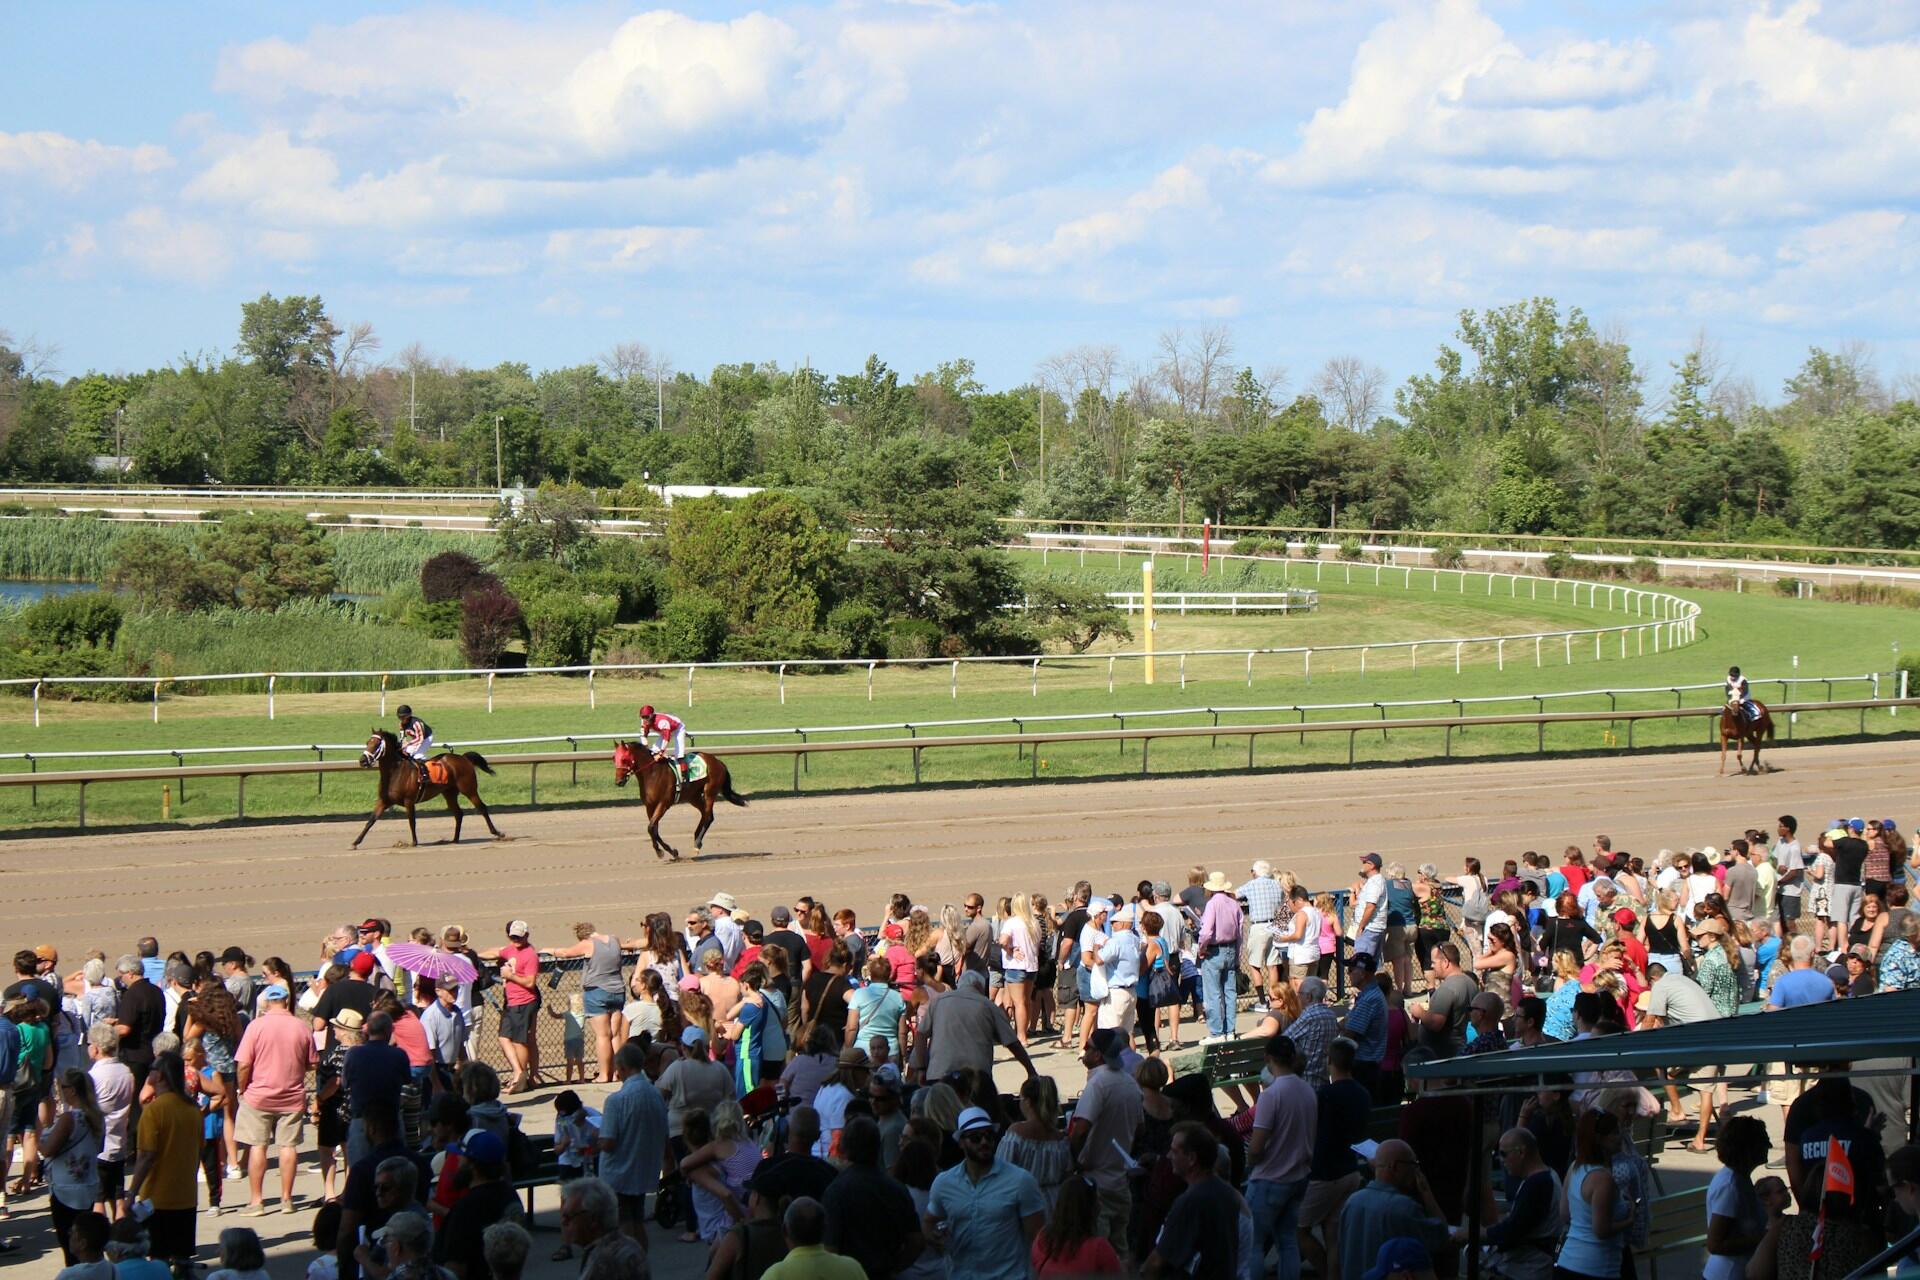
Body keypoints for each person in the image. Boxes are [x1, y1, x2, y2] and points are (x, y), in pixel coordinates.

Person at [924, 1106, 1047, 1280]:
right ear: (961, 1142)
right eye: (975, 1138)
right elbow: (929, 1222)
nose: (984, 1142)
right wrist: (935, 1238)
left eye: (989, 1135)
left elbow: (1038, 1239)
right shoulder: (944, 1183)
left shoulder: (1020, 1181)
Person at [234, 981, 314, 1215]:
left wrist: (242, 1088)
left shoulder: (256, 1026)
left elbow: (244, 1064)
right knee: (288, 1146)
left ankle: (257, 1201)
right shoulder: (300, 1026)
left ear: (268, 1002)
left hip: (259, 1095)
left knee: (258, 1146)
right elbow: (311, 1063)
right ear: (287, 1002)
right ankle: (286, 1199)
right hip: (291, 1094)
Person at [1068, 1028, 1144, 1262]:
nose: (1085, 1051)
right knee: (1119, 1250)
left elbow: (1080, 1130)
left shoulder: (1098, 1084)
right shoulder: (1129, 1083)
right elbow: (1140, 1129)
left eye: (1088, 1047)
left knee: (1095, 1251)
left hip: (1097, 1181)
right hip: (1120, 1178)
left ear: (1099, 1055)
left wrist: (1075, 1163)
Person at [124, 1052, 201, 1268]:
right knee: (183, 1262)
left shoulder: (154, 1111)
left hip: (158, 1199)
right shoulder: (193, 1109)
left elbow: (146, 1157)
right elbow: (198, 1151)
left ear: (161, 1075)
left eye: (153, 1068)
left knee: (159, 1260)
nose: (149, 1072)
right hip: (186, 1196)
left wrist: (132, 1193)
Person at [1336, 1140, 1447, 1280]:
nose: (1416, 1171)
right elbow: (1442, 1237)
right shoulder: (1405, 1209)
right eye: (1414, 1164)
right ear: (1395, 1166)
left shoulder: (1352, 1201)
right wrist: (1426, 1193)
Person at [1461, 1127, 1562, 1280]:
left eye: (1503, 1154)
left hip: (1526, 1269)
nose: (1501, 1160)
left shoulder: (1538, 1183)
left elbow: (1512, 1230)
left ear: (1521, 1152)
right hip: (1529, 1267)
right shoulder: (1546, 1177)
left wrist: (1471, 1234)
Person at [595, 1041, 669, 1245]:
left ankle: (629, 1263)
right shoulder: (655, 1094)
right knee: (636, 1219)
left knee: (624, 1221)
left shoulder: (616, 1100)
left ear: (622, 1068)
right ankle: (640, 1261)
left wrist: (596, 1138)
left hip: (619, 1172)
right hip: (643, 1169)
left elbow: (608, 1141)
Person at [1145, 1120, 1240, 1279]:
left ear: (1191, 1159)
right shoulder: (1228, 1194)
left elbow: (1157, 1261)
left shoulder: (1191, 1201)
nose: (1169, 1156)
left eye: (1175, 1152)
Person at [41, 1068, 105, 1265]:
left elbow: (48, 1150)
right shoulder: (96, 1116)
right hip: (88, 1184)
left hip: (65, 1188)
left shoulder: (70, 1118)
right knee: (87, 1243)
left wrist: (38, 1140)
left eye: (63, 1087)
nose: (61, 1091)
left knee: (71, 1245)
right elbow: (100, 1147)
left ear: (73, 1090)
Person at [1554, 1110, 1627, 1280]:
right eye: (1615, 1132)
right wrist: (1629, 1219)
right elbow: (1601, 1230)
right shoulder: (1603, 1179)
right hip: (1596, 1267)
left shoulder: (1575, 1168)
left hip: (1567, 1261)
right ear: (1600, 1139)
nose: (1621, 1136)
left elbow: (1564, 1213)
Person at [1704, 1115, 1769, 1280]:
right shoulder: (1730, 1187)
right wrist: (1766, 1238)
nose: (1769, 1145)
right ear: (1748, 1148)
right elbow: (1715, 1244)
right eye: (1763, 1141)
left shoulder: (1739, 1179)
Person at [1029, 1175, 1122, 1277]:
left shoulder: (1042, 1239)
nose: (1100, 1205)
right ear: (1091, 1209)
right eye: (1097, 1200)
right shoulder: (1099, 1249)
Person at [560, 1178, 648, 1280]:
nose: (563, 1222)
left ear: (592, 1219)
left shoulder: (602, 1262)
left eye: (568, 1217)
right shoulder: (632, 1245)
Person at [1195, 873, 1244, 1043]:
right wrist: (1238, 956)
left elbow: (1206, 931)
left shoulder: (1212, 904)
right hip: (1230, 949)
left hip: (1214, 951)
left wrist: (1202, 948)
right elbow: (1240, 933)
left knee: (1213, 993)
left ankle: (1216, 1033)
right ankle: (1230, 1030)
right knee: (1230, 992)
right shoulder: (1234, 904)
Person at [54, 1209, 114, 1280]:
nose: (69, 1234)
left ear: (83, 1244)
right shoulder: (112, 1269)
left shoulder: (68, 1275)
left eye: (72, 1232)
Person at [638, 704, 691, 782]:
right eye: (643, 717)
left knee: (679, 754)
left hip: (677, 729)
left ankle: (685, 777)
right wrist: (645, 746)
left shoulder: (662, 722)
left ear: (652, 715)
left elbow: (666, 738)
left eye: (646, 717)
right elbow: (643, 735)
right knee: (653, 751)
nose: (645, 719)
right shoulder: (644, 721)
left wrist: (661, 753)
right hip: (665, 731)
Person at [395, 705, 434, 784]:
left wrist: (408, 743)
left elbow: (420, 739)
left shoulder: (416, 723)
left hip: (426, 738)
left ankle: (426, 775)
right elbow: (402, 737)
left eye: (403, 717)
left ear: (408, 716)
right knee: (406, 753)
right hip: (416, 738)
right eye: (400, 717)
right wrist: (402, 746)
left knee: (417, 755)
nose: (401, 719)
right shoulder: (402, 724)